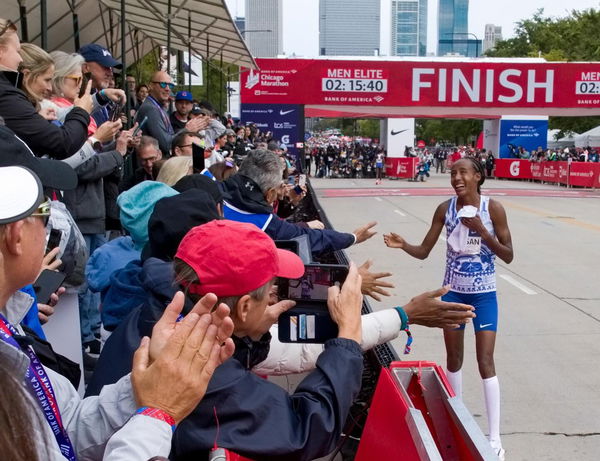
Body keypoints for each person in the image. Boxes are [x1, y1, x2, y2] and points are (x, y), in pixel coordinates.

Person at [0, 162, 235, 460]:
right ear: (16, 236)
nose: (50, 229)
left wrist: (149, 376)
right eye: (44, 214)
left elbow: (67, 426)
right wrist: (157, 413)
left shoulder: (9, 329)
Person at [89, 219, 367, 460]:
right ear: (244, 307)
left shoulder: (153, 312)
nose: (274, 294)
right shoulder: (208, 377)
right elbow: (306, 430)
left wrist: (250, 335)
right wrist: (348, 338)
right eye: (271, 287)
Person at [383, 157, 513, 460]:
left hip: (484, 296)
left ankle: (494, 438)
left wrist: (481, 229)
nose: (456, 178)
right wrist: (404, 245)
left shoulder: (492, 209)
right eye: (453, 173)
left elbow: (508, 255)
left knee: (485, 361)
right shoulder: (445, 209)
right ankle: (459, 419)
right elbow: (424, 251)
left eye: (462, 173)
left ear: (477, 177)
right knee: (453, 359)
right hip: (453, 294)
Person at [222, 149, 377, 255]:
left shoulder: (207, 187)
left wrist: (291, 202)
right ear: (270, 194)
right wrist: (352, 237)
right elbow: (311, 238)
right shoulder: (266, 224)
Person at [0, 20, 92, 159]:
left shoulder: (11, 97)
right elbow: (62, 144)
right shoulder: (6, 95)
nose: (20, 58)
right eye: (17, 51)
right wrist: (84, 115)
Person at [135, 71, 206, 157]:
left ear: (192, 105)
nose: (167, 88)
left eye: (170, 85)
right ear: (151, 86)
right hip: (153, 165)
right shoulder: (151, 108)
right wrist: (187, 130)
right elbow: (166, 144)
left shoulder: (159, 107)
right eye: (163, 84)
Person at [78, 43, 123, 125]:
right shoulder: (73, 97)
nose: (111, 73)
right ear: (86, 68)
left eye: (111, 68)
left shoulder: (97, 94)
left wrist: (119, 137)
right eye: (105, 66)